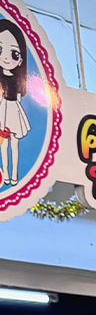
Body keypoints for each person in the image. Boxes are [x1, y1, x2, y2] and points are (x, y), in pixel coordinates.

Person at [0, 18, 31, 190]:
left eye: (13, 54)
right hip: (3, 110)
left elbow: (19, 98)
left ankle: (14, 175)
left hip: (12, 111)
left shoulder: (19, 80)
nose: (6, 58)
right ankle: (5, 174)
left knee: (14, 144)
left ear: (20, 59)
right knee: (4, 145)